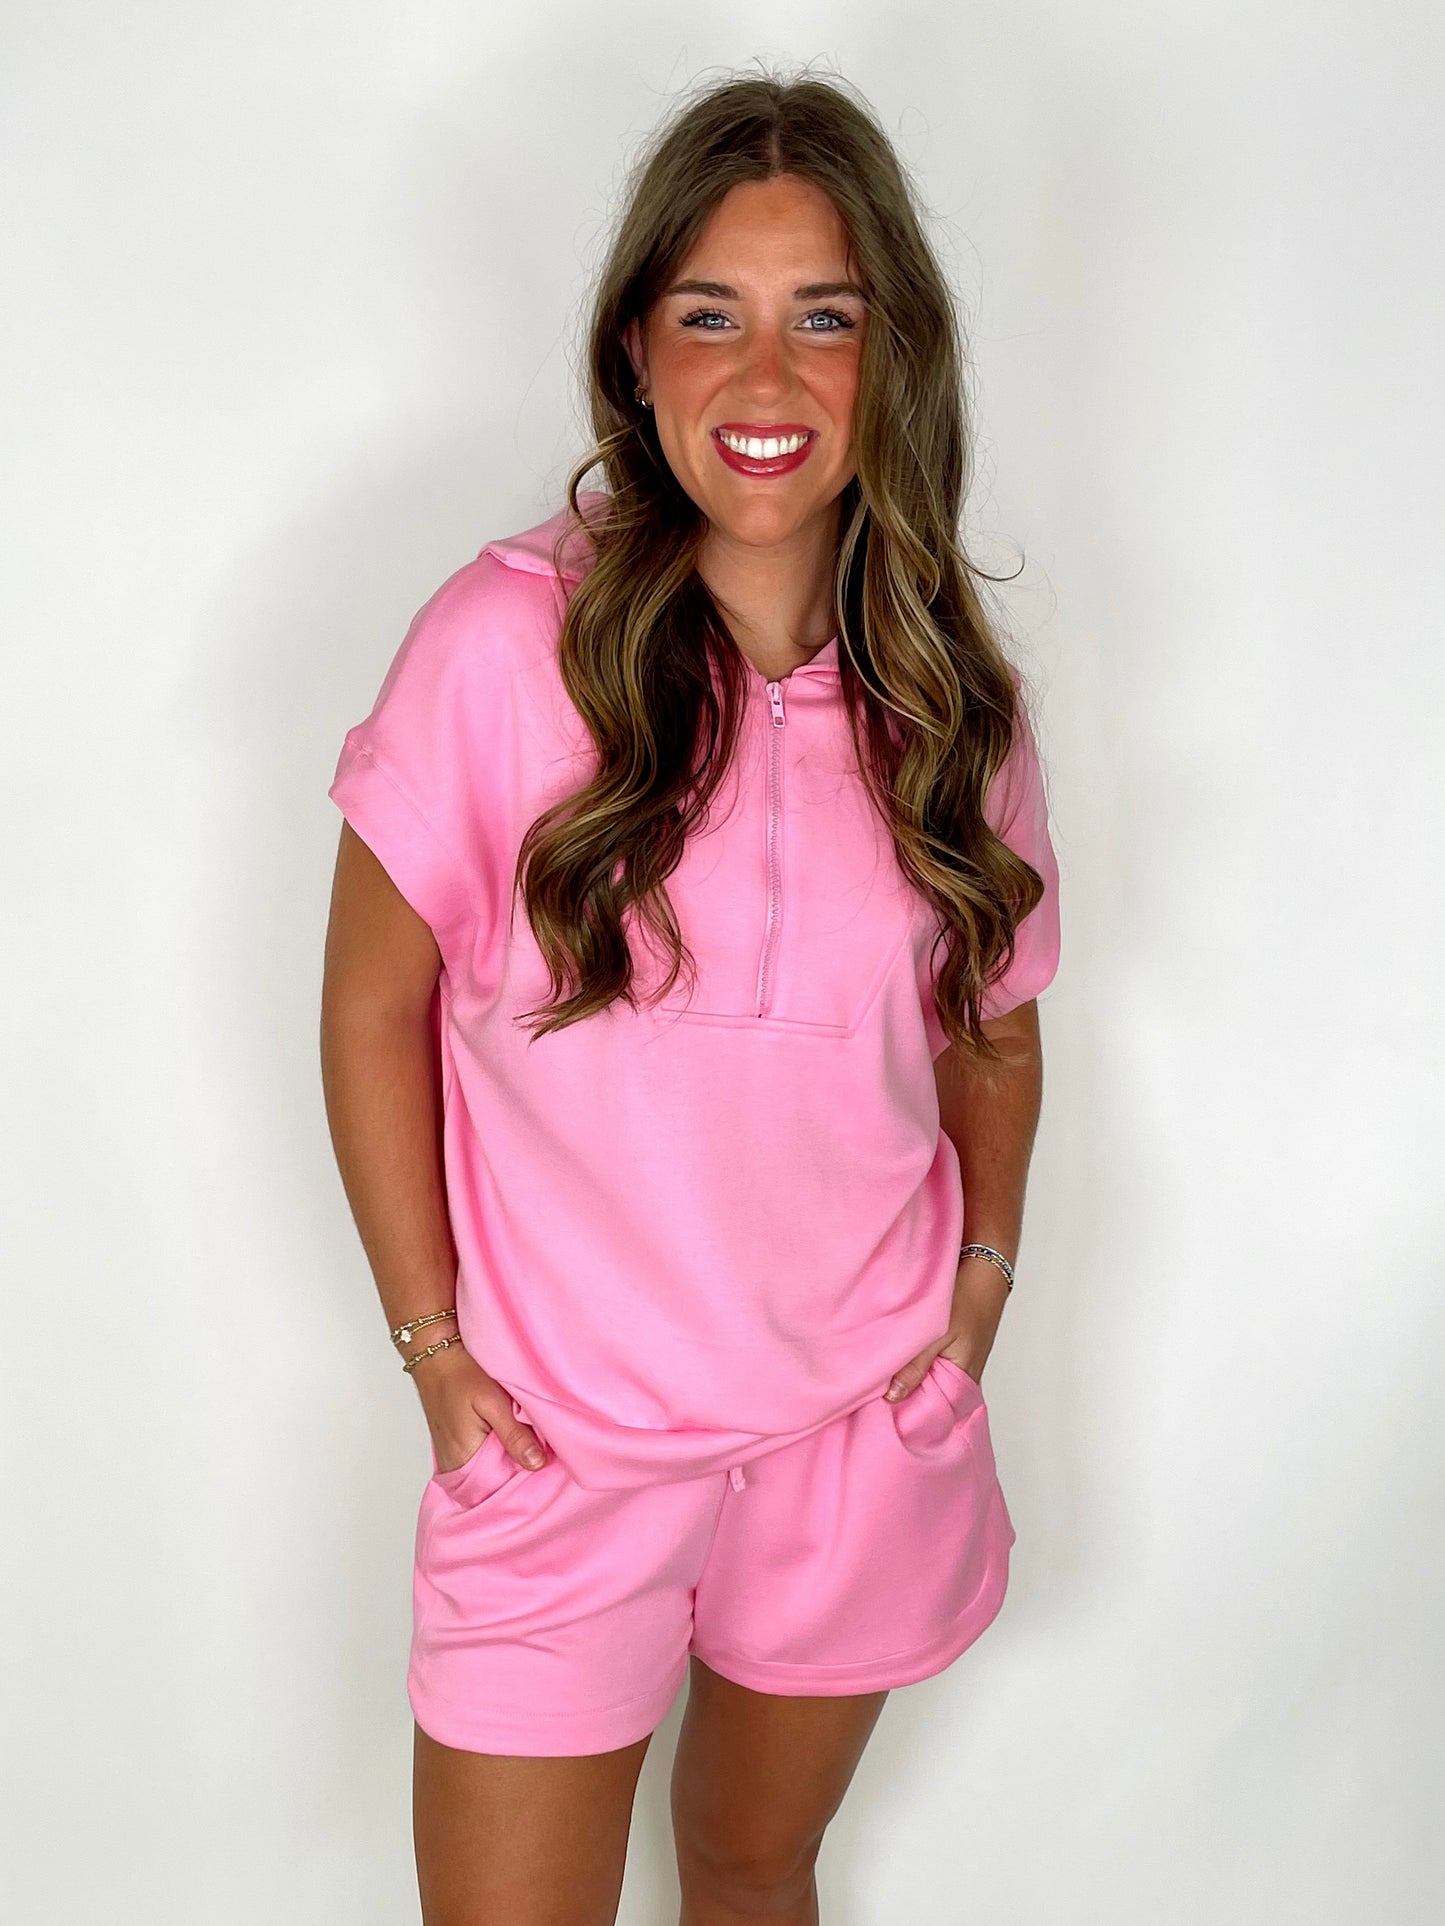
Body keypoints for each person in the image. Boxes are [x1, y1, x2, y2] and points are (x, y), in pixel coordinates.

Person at [320, 68, 1061, 1926]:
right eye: (711, 315)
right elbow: (369, 1002)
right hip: (556, 1447)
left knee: (750, 1868)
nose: (765, 375)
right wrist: (433, 1354)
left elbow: (991, 1012)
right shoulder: (503, 644)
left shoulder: (948, 700)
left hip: (852, 1433)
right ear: (636, 351)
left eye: (826, 318)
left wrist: (976, 1288)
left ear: (893, 359)